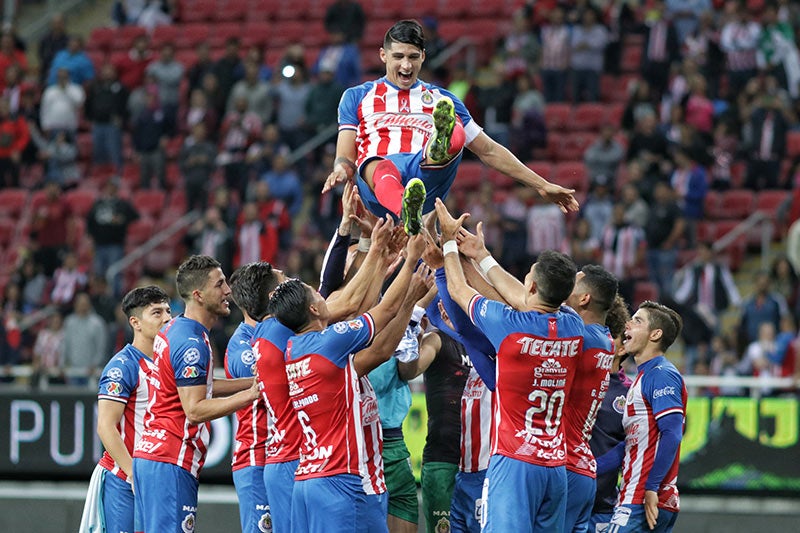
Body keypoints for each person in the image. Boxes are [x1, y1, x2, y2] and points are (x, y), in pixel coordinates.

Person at [323, 20, 577, 236]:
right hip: (379, 182)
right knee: (379, 166)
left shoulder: (440, 97)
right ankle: (407, 208)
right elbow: (346, 155)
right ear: (383, 55)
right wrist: (340, 169)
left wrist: (541, 185)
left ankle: (439, 145)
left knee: (453, 125)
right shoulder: (357, 96)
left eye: (413, 57)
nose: (406, 66)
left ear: (423, 55)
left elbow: (487, 149)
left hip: (426, 170)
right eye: (398, 57)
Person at [434, 198, 584, 532]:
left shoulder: (509, 325)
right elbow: (525, 297)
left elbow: (459, 290)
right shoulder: (575, 326)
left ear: (531, 285)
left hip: (515, 462)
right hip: (555, 467)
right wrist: (480, 255)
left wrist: (447, 241)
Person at [252, 209, 406, 533]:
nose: (320, 293)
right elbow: (351, 304)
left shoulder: (288, 339)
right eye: (284, 280)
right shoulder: (305, 339)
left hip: (308, 464)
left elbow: (349, 305)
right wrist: (397, 260)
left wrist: (373, 251)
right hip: (325, 467)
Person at [132, 255, 260, 532]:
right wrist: (252, 395)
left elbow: (198, 384)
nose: (228, 291)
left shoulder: (175, 329)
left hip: (152, 455)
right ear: (199, 295)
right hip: (170, 458)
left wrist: (250, 383)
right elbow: (195, 408)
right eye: (220, 284)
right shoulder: (192, 343)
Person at [78, 286, 171, 533]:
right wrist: (133, 474)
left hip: (156, 478)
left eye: (168, 311)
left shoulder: (167, 363)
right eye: (157, 312)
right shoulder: (122, 366)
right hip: (124, 481)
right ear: (135, 322)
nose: (167, 318)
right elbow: (105, 427)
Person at [597, 301, 686, 533]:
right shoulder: (641, 378)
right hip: (636, 494)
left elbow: (673, 433)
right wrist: (591, 468)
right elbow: (633, 444)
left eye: (637, 320)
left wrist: (652, 488)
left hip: (643, 497)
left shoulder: (661, 374)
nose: (628, 324)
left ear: (655, 334)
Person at [225, 263, 282, 533]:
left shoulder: (274, 334)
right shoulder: (244, 349)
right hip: (257, 458)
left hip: (280, 456)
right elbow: (274, 391)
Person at [562, 266, 619, 533]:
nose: (565, 288)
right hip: (582, 467)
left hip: (566, 465)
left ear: (585, 299)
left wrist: (481, 258)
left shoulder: (578, 334)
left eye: (573, 284)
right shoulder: (601, 337)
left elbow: (523, 303)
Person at [587, 296, 632, 531]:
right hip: (565, 501)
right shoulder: (574, 377)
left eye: (609, 336)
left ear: (623, 347)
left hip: (602, 507)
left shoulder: (631, 394)